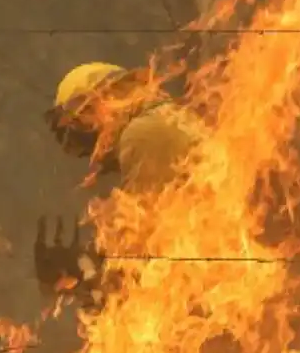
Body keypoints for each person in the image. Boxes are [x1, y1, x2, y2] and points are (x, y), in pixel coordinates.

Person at [35, 62, 200, 304]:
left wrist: (88, 274)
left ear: (102, 100)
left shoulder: (144, 133)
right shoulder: (164, 118)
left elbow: (149, 248)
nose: (86, 137)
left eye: (81, 120)